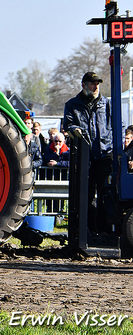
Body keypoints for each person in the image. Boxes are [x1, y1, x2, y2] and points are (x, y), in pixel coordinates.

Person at [63, 71, 113, 233]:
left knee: (106, 195)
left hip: (105, 155)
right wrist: (73, 130)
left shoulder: (106, 104)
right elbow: (68, 124)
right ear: (83, 85)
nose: (96, 86)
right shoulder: (72, 104)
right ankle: (89, 231)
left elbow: (115, 125)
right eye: (92, 83)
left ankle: (104, 230)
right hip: (85, 157)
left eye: (97, 84)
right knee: (86, 196)